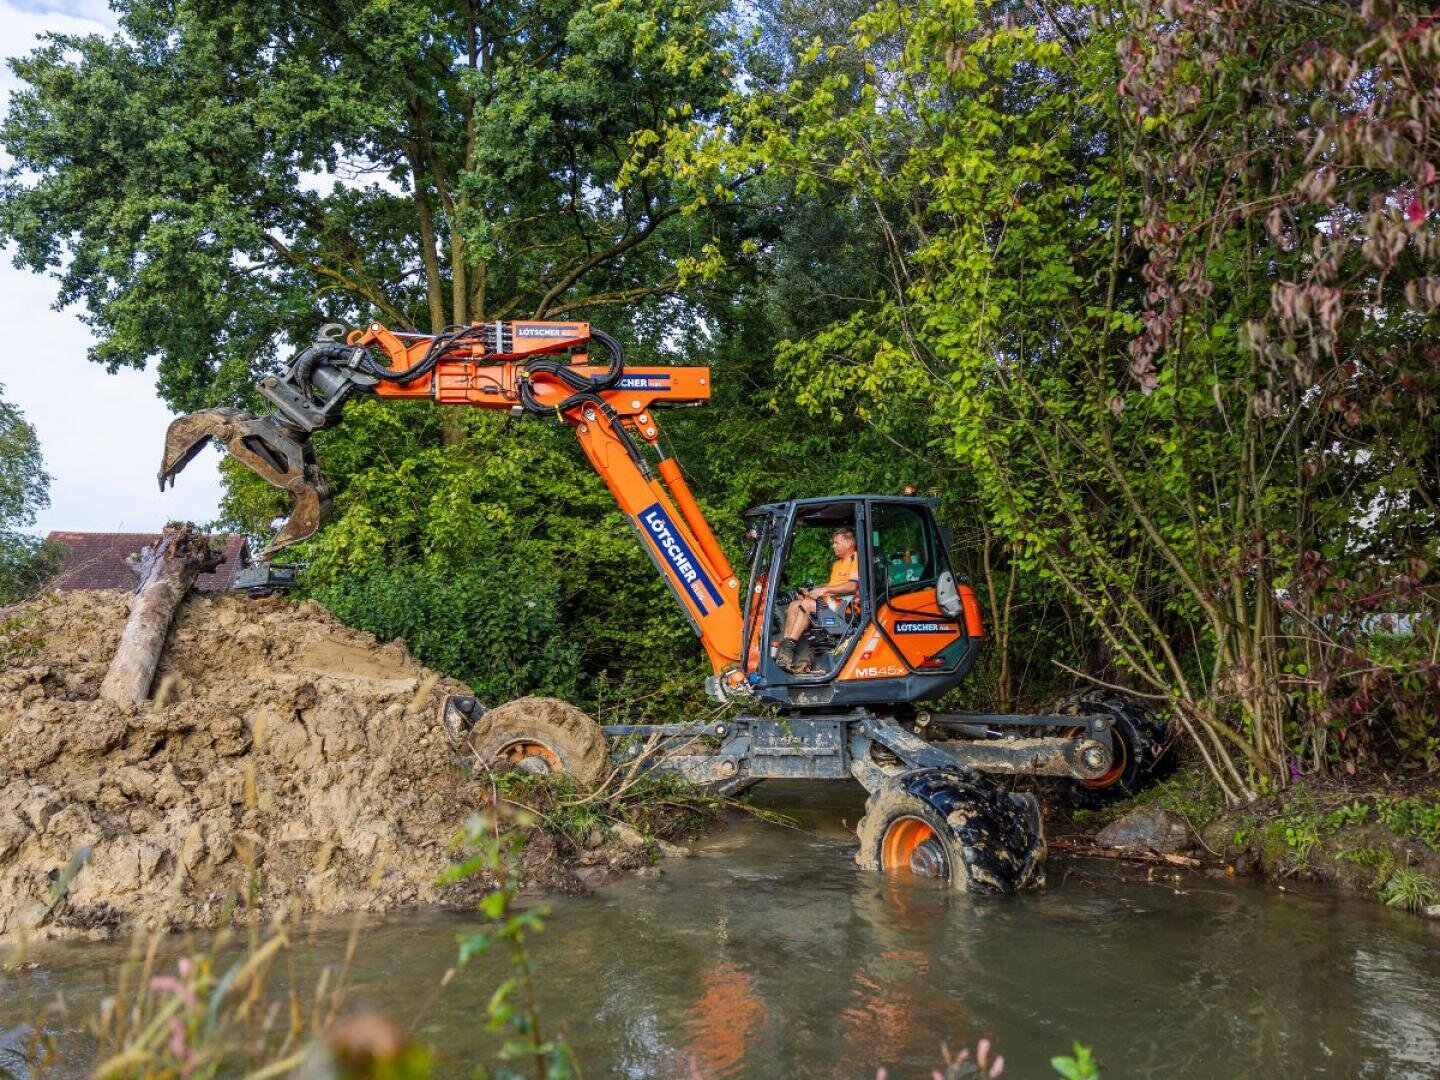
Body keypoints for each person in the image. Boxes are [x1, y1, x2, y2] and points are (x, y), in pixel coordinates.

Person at [776, 526, 859, 672]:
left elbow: (852, 586)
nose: (833, 546)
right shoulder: (838, 564)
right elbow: (833, 586)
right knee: (795, 605)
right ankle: (787, 654)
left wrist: (825, 589)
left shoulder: (855, 559)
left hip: (843, 615)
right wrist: (812, 590)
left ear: (848, 543)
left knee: (807, 605)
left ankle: (788, 648)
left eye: (836, 543)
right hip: (830, 607)